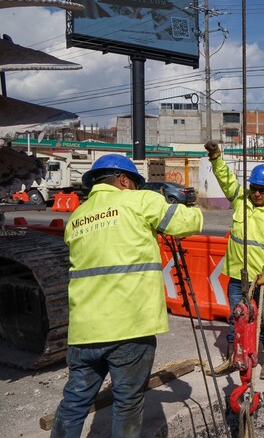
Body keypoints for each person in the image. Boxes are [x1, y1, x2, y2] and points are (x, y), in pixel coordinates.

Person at [52, 154, 203, 437]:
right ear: (124, 179)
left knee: (74, 403)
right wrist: (177, 203)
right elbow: (189, 222)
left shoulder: (77, 219)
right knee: (127, 403)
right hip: (129, 328)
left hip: (85, 331)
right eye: (134, 183)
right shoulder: (139, 201)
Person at [204, 140, 264, 380]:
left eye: (262, 190)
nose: (256, 194)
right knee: (236, 316)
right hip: (237, 274)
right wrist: (215, 158)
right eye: (254, 188)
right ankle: (236, 356)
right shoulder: (241, 200)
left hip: (263, 279)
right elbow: (226, 180)